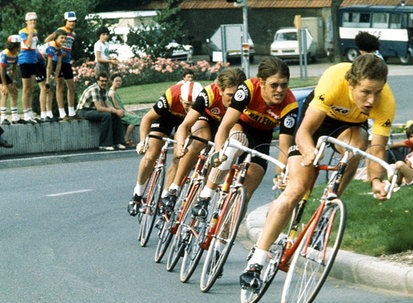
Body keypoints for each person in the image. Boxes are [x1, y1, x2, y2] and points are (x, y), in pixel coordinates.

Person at [240, 54, 395, 289]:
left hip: (349, 128)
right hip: (315, 124)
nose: (372, 100)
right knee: (296, 190)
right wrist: (309, 151)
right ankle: (257, 260)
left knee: (356, 148)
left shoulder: (385, 102)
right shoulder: (333, 80)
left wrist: (376, 179)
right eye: (365, 92)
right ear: (351, 83)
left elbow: (377, 149)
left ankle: (330, 205)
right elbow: (303, 132)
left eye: (377, 92)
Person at [190, 57, 297, 230]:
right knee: (236, 141)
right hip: (240, 126)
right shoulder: (248, 89)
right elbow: (225, 126)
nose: (280, 90)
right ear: (261, 82)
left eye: (284, 85)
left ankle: (222, 241)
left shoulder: (289, 105)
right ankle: (205, 196)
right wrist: (218, 152)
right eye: (274, 85)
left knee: (246, 193)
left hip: (262, 139)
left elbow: (284, 148)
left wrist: (280, 174)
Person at [159, 68, 247, 210]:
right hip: (207, 120)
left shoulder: (244, 97)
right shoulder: (209, 93)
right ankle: (174, 188)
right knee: (201, 138)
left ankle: (203, 197)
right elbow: (184, 125)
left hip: (228, 123)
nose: (234, 100)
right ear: (220, 90)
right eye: (229, 95)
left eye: (237, 95)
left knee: (227, 149)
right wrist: (181, 145)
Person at [127, 80, 203, 215]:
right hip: (165, 118)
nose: (189, 108)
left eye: (193, 105)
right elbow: (147, 118)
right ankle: (137, 195)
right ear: (180, 99)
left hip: (188, 122)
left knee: (178, 157)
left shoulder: (202, 101)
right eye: (186, 104)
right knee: (151, 154)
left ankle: (164, 198)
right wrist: (143, 141)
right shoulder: (171, 96)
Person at [76, 72, 126, 151]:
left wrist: (116, 111)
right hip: (83, 111)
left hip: (93, 110)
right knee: (106, 115)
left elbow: (107, 104)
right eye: (102, 81)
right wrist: (115, 111)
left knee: (115, 115)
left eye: (105, 81)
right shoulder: (95, 89)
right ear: (97, 81)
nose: (104, 83)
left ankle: (118, 142)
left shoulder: (103, 89)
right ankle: (104, 144)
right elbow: (99, 108)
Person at [45, 11, 78, 120]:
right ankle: (62, 113)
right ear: (65, 21)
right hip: (56, 60)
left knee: (71, 87)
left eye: (74, 21)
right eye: (70, 21)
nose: (72, 23)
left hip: (67, 62)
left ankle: (72, 112)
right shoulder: (60, 30)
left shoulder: (73, 34)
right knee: (60, 86)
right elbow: (47, 41)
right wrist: (56, 50)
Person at [0, 35, 21, 125]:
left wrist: (14, 82)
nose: (19, 47)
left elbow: (14, 69)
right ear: (12, 45)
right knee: (5, 92)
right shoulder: (5, 53)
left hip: (3, 73)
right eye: (17, 45)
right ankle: (3, 118)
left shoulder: (16, 54)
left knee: (14, 92)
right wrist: (5, 85)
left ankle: (15, 117)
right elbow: (1, 70)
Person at [36, 30, 66, 122]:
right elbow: (49, 66)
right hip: (35, 62)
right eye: (61, 38)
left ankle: (49, 114)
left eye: (65, 38)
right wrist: (48, 81)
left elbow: (59, 64)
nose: (63, 40)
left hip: (41, 62)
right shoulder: (52, 47)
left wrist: (56, 78)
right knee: (44, 88)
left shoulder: (59, 47)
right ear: (56, 38)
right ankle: (43, 114)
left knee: (50, 89)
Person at [18, 12, 41, 124]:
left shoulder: (36, 32)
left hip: (32, 60)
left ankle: (30, 112)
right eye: (31, 21)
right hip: (25, 60)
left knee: (31, 88)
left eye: (34, 21)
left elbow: (34, 46)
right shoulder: (23, 32)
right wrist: (30, 33)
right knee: (26, 88)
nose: (33, 23)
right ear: (26, 22)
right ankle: (25, 112)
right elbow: (27, 44)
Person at [107, 73, 140, 147]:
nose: (118, 83)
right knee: (136, 118)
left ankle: (128, 138)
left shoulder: (114, 92)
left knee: (134, 117)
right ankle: (126, 138)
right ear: (112, 81)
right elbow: (116, 106)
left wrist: (127, 111)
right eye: (116, 81)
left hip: (121, 111)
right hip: (118, 113)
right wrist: (125, 112)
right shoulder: (112, 92)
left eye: (120, 81)